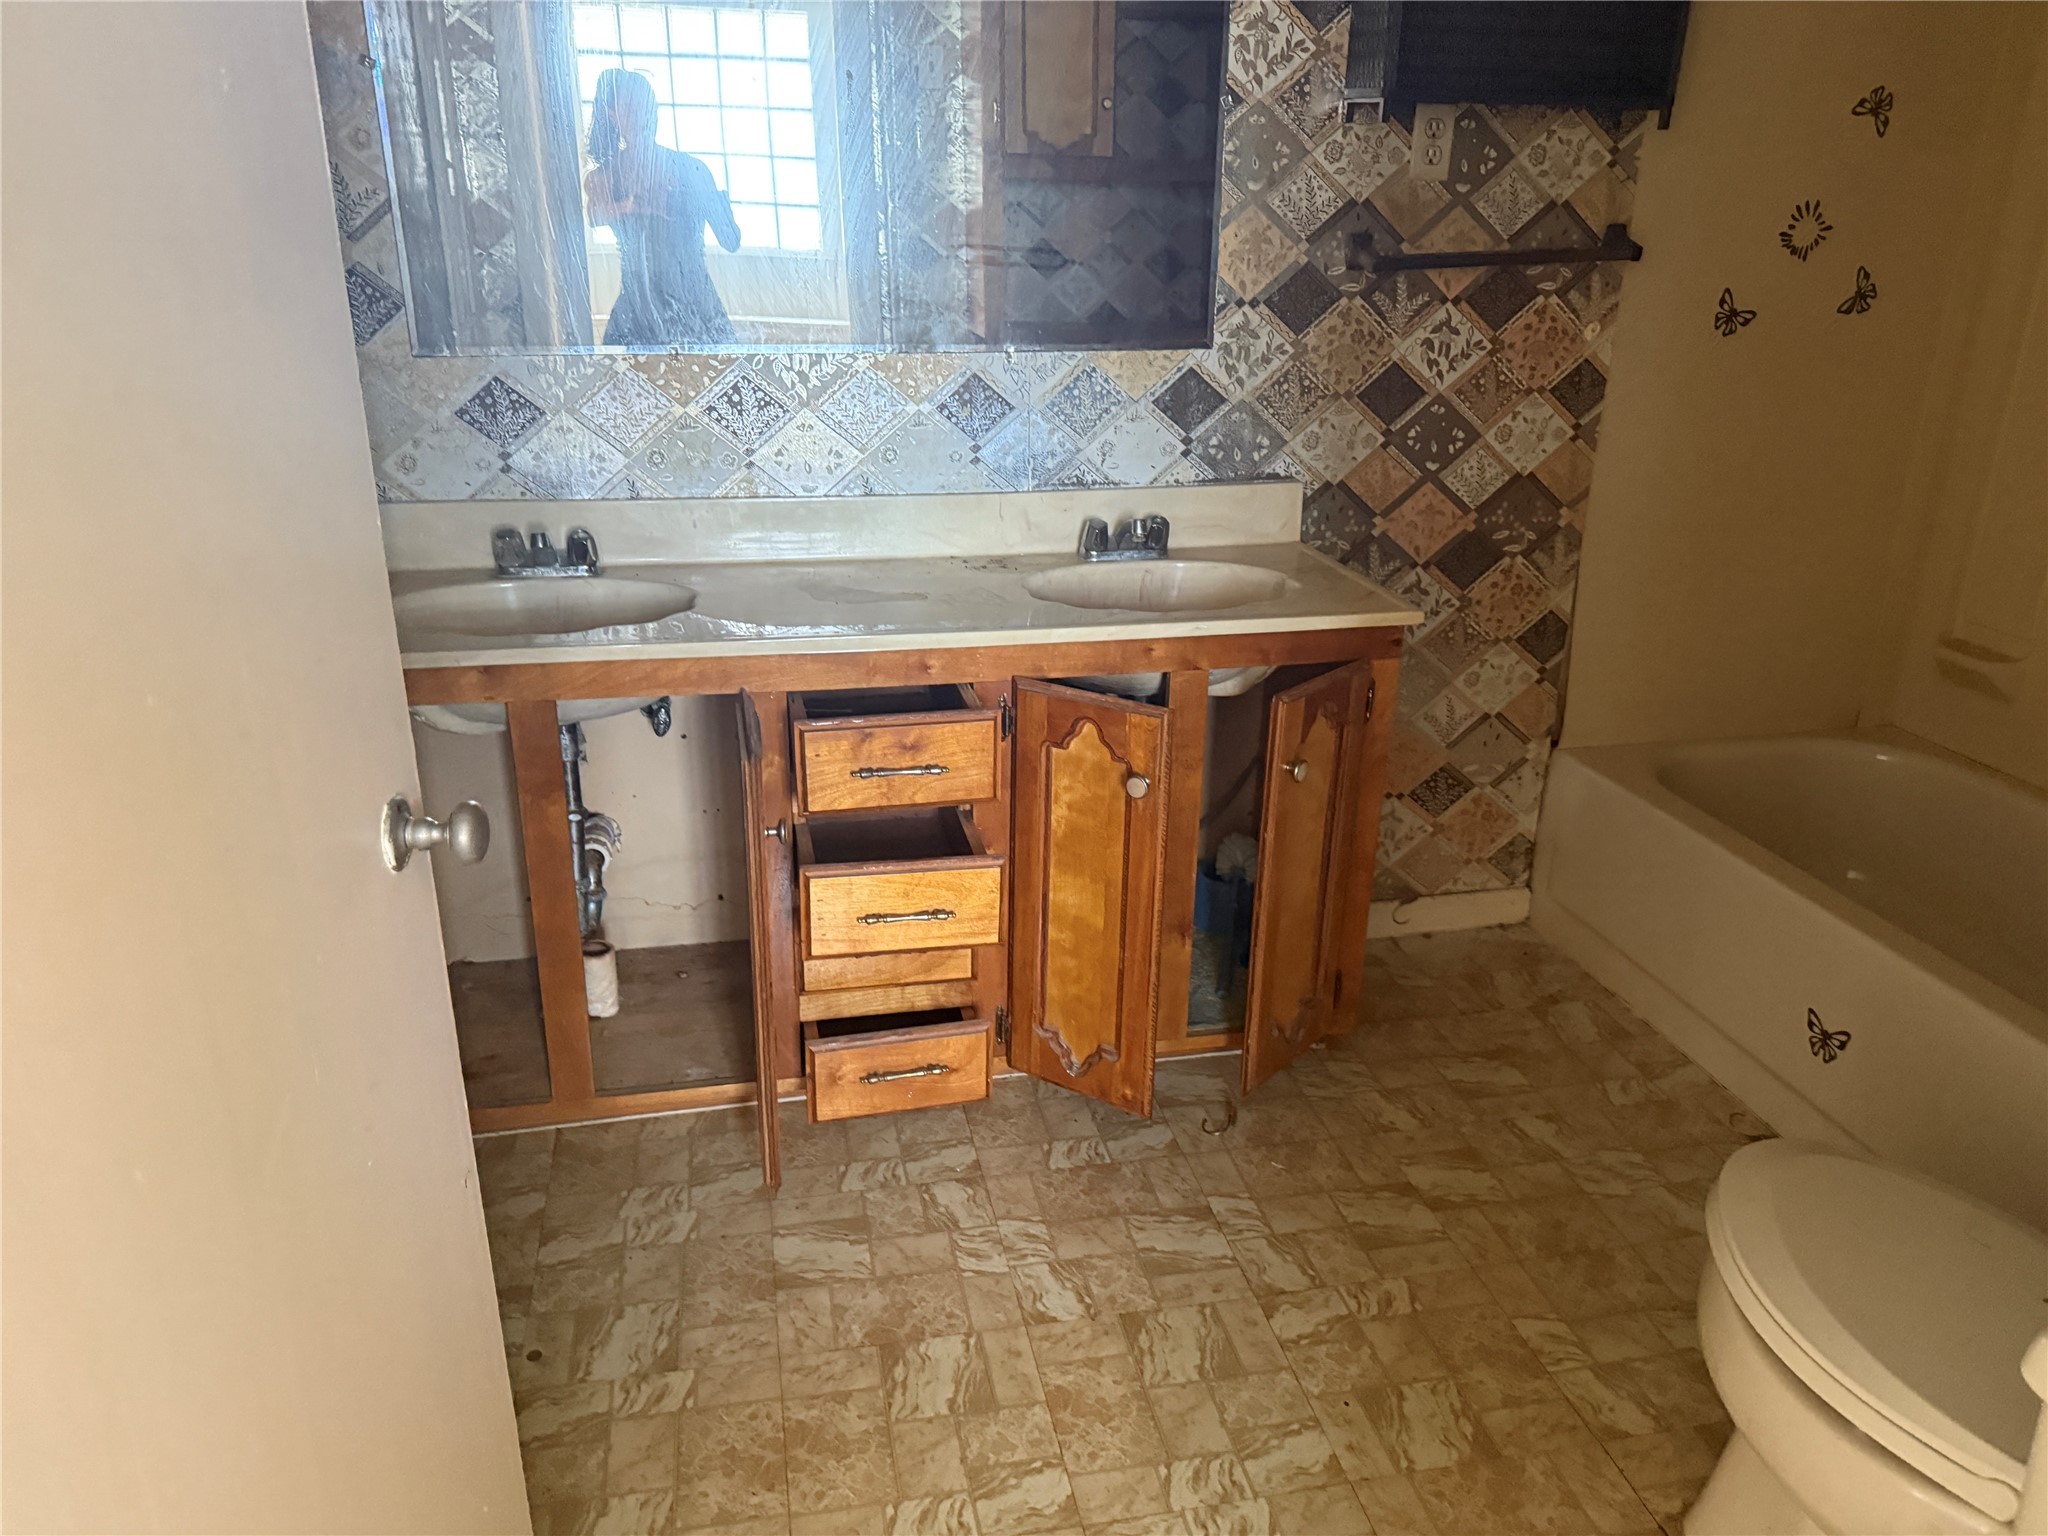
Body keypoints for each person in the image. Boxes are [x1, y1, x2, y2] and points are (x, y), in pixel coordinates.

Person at [584, 67, 742, 345]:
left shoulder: (691, 169)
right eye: (631, 104)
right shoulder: (603, 178)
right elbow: (594, 216)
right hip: (637, 314)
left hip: (697, 309)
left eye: (646, 103)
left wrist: (704, 198)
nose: (642, 112)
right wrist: (631, 206)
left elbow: (730, 239)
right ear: (612, 115)